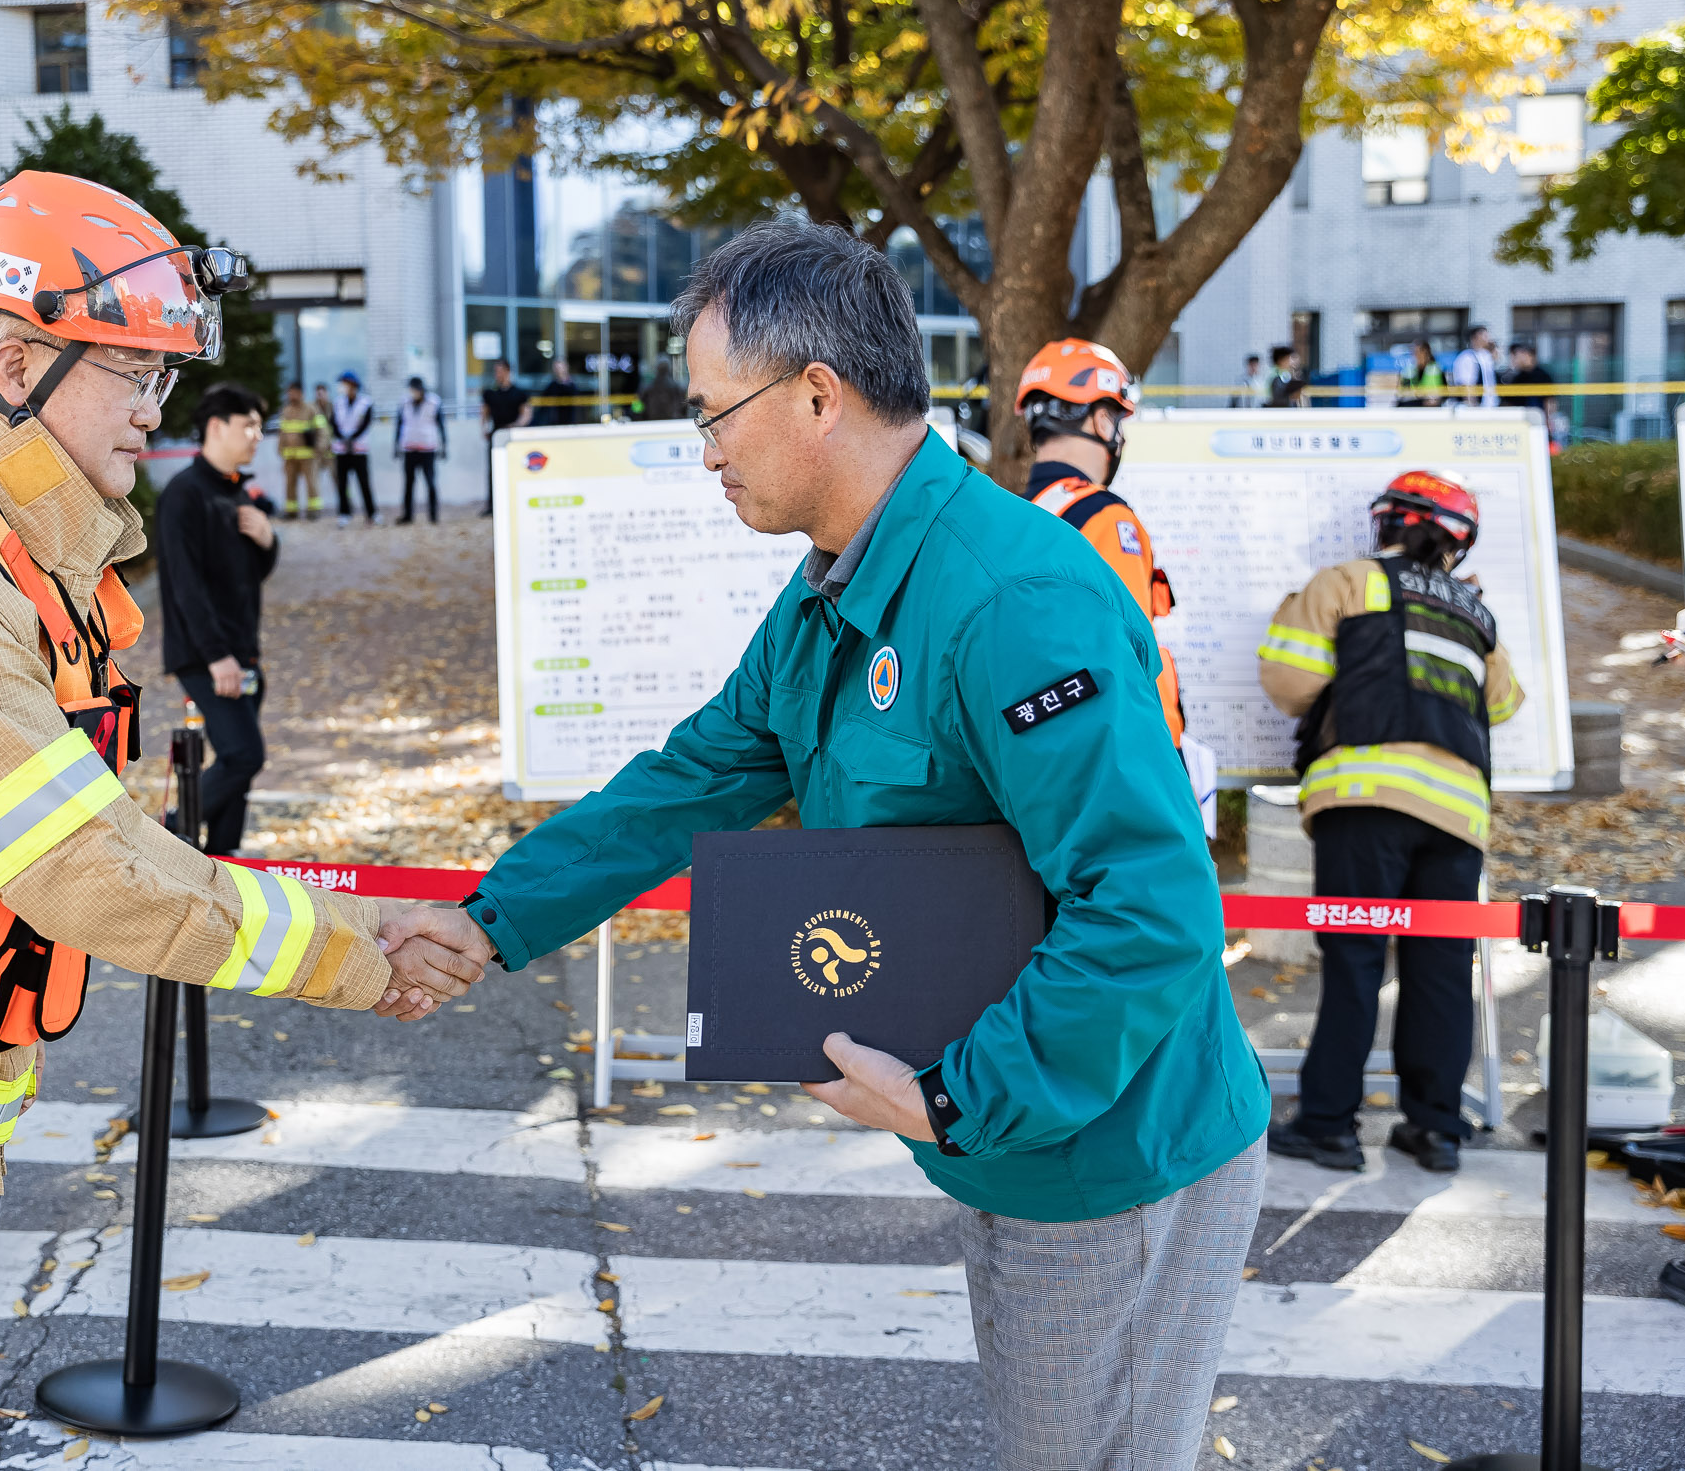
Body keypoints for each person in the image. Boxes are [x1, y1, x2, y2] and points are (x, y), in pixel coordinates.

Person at [0, 170, 493, 1471]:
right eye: (134, 373)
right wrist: (351, 949)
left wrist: (348, 928)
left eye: (167, 380)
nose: (154, 411)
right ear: (17, 360)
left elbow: (110, 839)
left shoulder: (16, 562)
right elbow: (88, 868)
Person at [463, 221, 1268, 1471]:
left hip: (1116, 1146)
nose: (707, 452)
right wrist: (486, 919)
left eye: (711, 415)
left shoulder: (1010, 602)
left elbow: (1153, 905)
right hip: (1010, 1133)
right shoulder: (837, 584)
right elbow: (699, 773)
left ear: (817, 395)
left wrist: (954, 1093)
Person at [1257, 470, 1521, 1176]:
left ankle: (1328, 1126)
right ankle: (1435, 1128)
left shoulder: (1347, 581)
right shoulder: (1474, 611)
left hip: (1365, 798)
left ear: (1388, 524)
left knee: (1355, 961)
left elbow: (1288, 681)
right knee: (1439, 971)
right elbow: (1503, 702)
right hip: (1458, 813)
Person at [1016, 340, 1186, 748]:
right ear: (1101, 420)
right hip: (1127, 752)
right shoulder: (1107, 519)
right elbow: (1126, 658)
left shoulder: (1017, 517)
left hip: (1047, 747)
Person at [157, 382, 279, 855]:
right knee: (245, 754)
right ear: (216, 427)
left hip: (244, 650)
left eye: (258, 426)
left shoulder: (240, 493)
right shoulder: (184, 496)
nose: (256, 436)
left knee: (238, 768)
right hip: (208, 656)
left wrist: (268, 540)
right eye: (247, 424)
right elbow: (185, 587)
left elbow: (253, 574)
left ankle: (224, 868)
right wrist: (218, 657)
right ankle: (164, 838)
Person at [479, 358, 531, 516]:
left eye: (500, 371)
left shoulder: (519, 393)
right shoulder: (490, 393)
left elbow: (526, 414)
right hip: (496, 434)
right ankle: (493, 505)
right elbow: (484, 413)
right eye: (496, 371)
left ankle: (515, 502)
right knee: (494, 471)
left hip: (513, 436)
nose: (497, 374)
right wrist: (484, 429)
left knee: (516, 469)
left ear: (507, 371)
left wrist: (516, 426)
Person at [327, 369, 378, 526]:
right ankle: (344, 513)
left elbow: (365, 424)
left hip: (359, 449)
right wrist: (342, 438)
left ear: (353, 385)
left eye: (344, 384)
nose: (342, 387)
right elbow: (333, 423)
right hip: (342, 450)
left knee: (364, 482)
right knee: (342, 484)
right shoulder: (338, 403)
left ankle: (372, 514)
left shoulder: (366, 403)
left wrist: (352, 438)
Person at [394, 374, 446, 523]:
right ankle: (408, 515)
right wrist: (396, 444)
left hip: (427, 448)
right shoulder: (404, 402)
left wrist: (444, 445)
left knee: (430, 482)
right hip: (409, 448)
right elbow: (398, 424)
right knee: (408, 483)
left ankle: (433, 515)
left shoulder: (434, 402)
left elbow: (441, 425)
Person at [276, 380, 324, 520]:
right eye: (289, 392)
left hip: (308, 455)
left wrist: (320, 447)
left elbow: (321, 430)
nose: (291, 395)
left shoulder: (311, 409)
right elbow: (282, 432)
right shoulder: (286, 411)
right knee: (289, 484)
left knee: (311, 483)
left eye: (293, 392)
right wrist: (280, 448)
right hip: (290, 456)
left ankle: (314, 510)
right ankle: (291, 511)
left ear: (301, 393)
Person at [1449, 324, 1501, 407]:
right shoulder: (1467, 358)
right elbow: (1466, 385)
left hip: (1491, 405)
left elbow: (1496, 357)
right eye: (1485, 335)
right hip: (1477, 407)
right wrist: (1472, 406)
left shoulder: (1485, 356)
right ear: (1475, 337)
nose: (1488, 338)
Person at [532, 354, 581, 425]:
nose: (558, 370)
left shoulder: (574, 386)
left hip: (571, 423)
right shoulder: (551, 386)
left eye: (560, 367)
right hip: (555, 424)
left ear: (566, 367)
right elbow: (543, 406)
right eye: (556, 368)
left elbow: (578, 408)